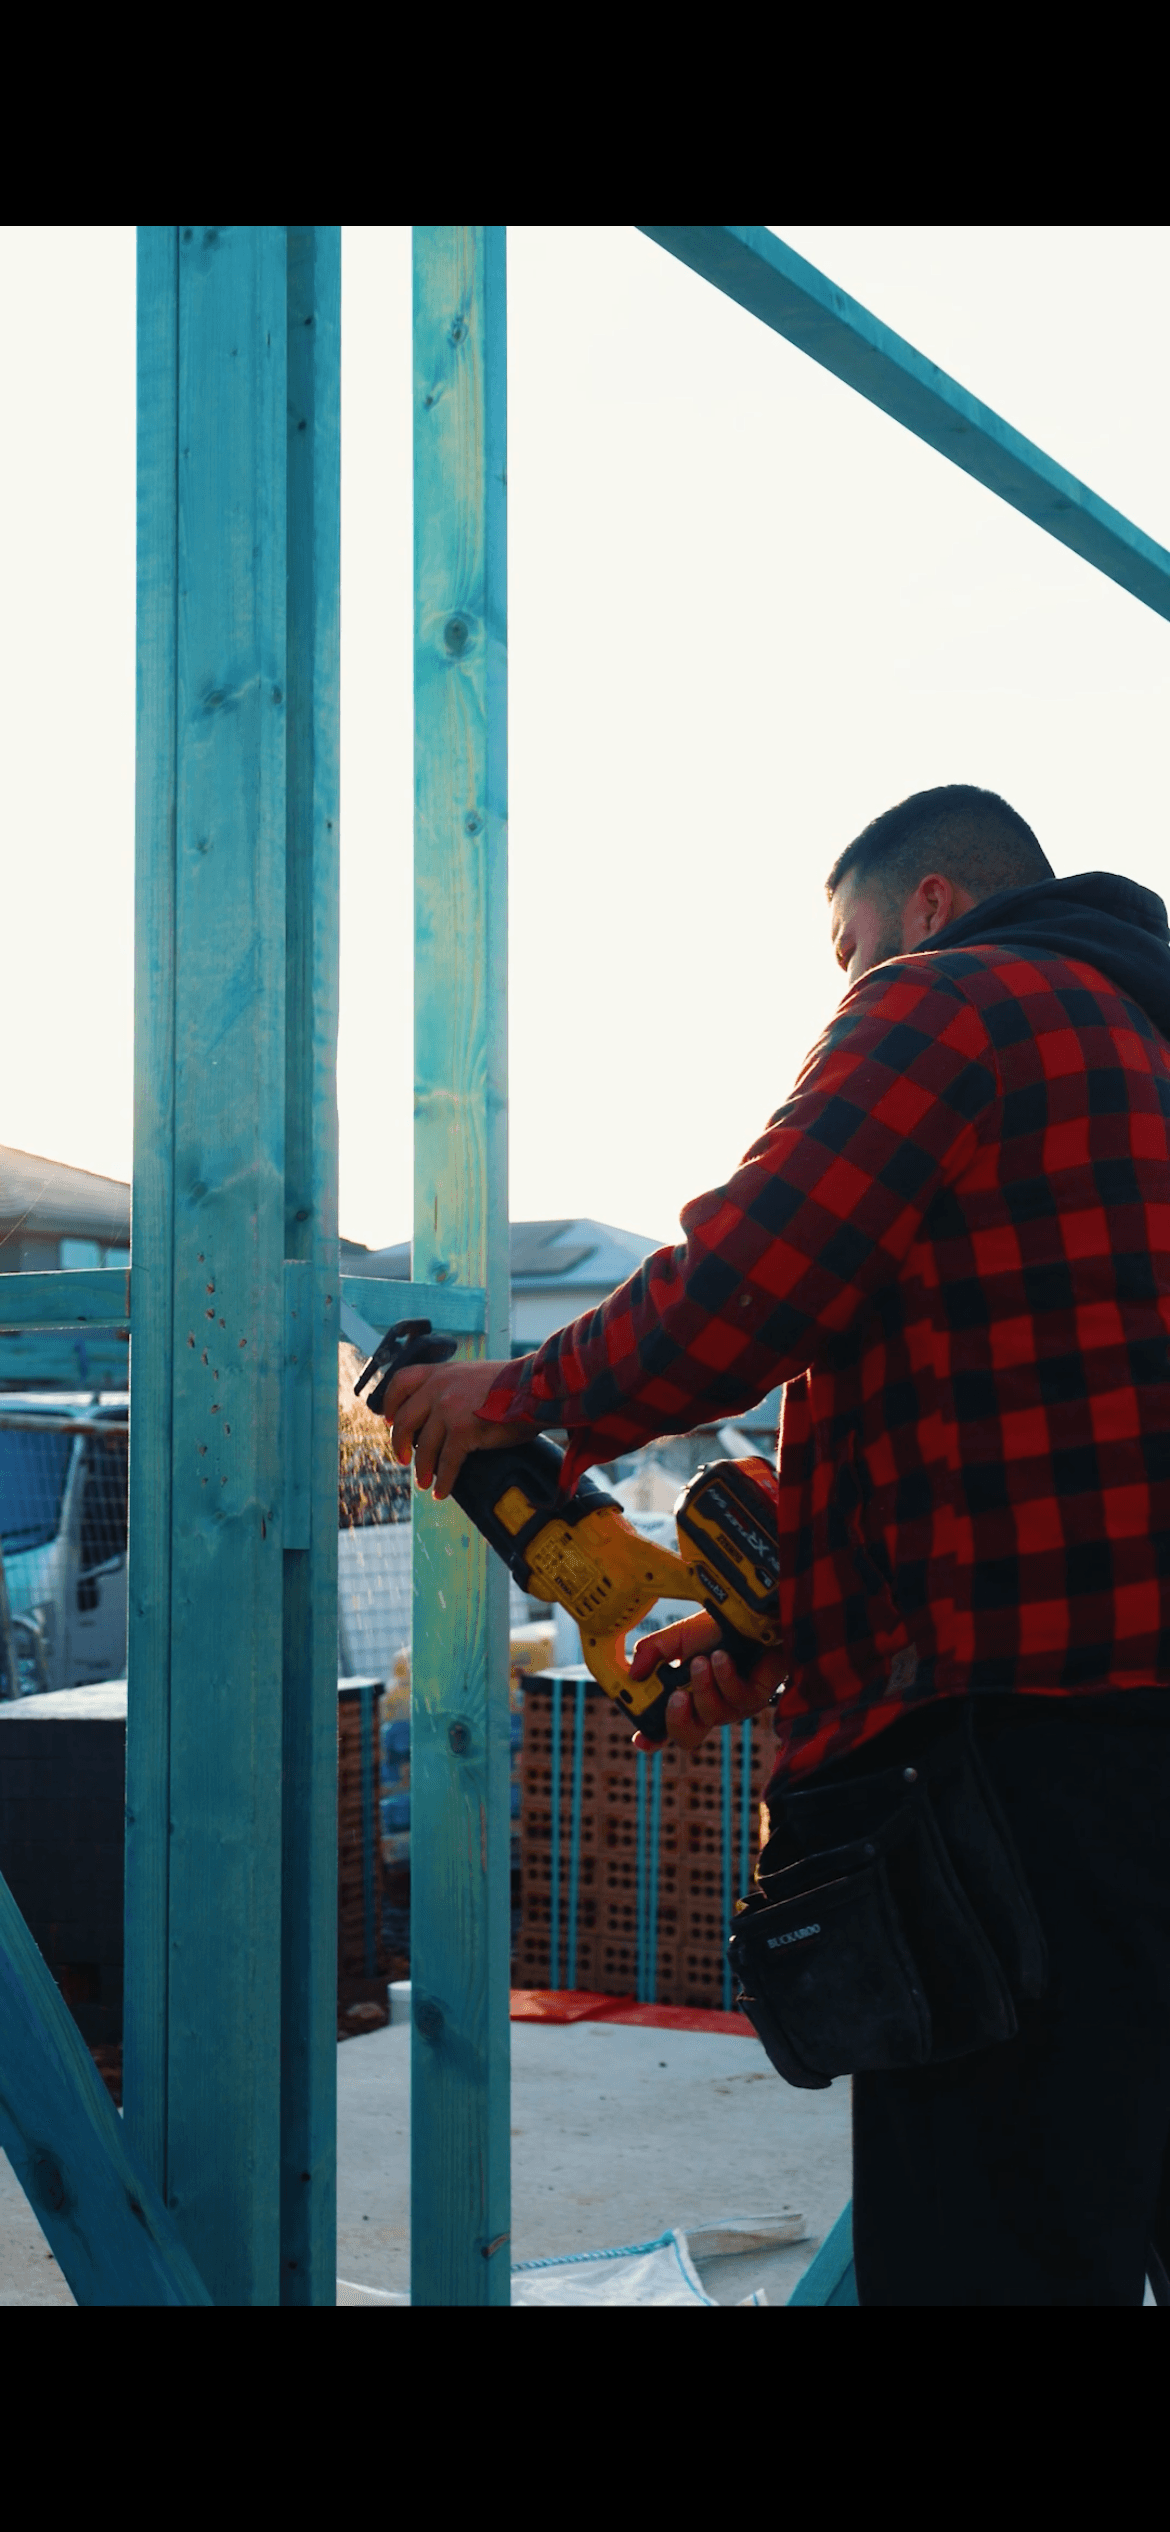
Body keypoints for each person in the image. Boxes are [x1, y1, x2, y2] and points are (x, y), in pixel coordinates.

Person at [380, 782, 1170, 2308]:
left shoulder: (950, 999)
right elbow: (1022, 1407)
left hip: (1015, 1755)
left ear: (927, 904)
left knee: (988, 2247)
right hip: (1125, 1729)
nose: (841, 980)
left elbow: (746, 1282)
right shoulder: (1138, 1043)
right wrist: (778, 1631)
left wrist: (512, 1396)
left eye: (844, 944)